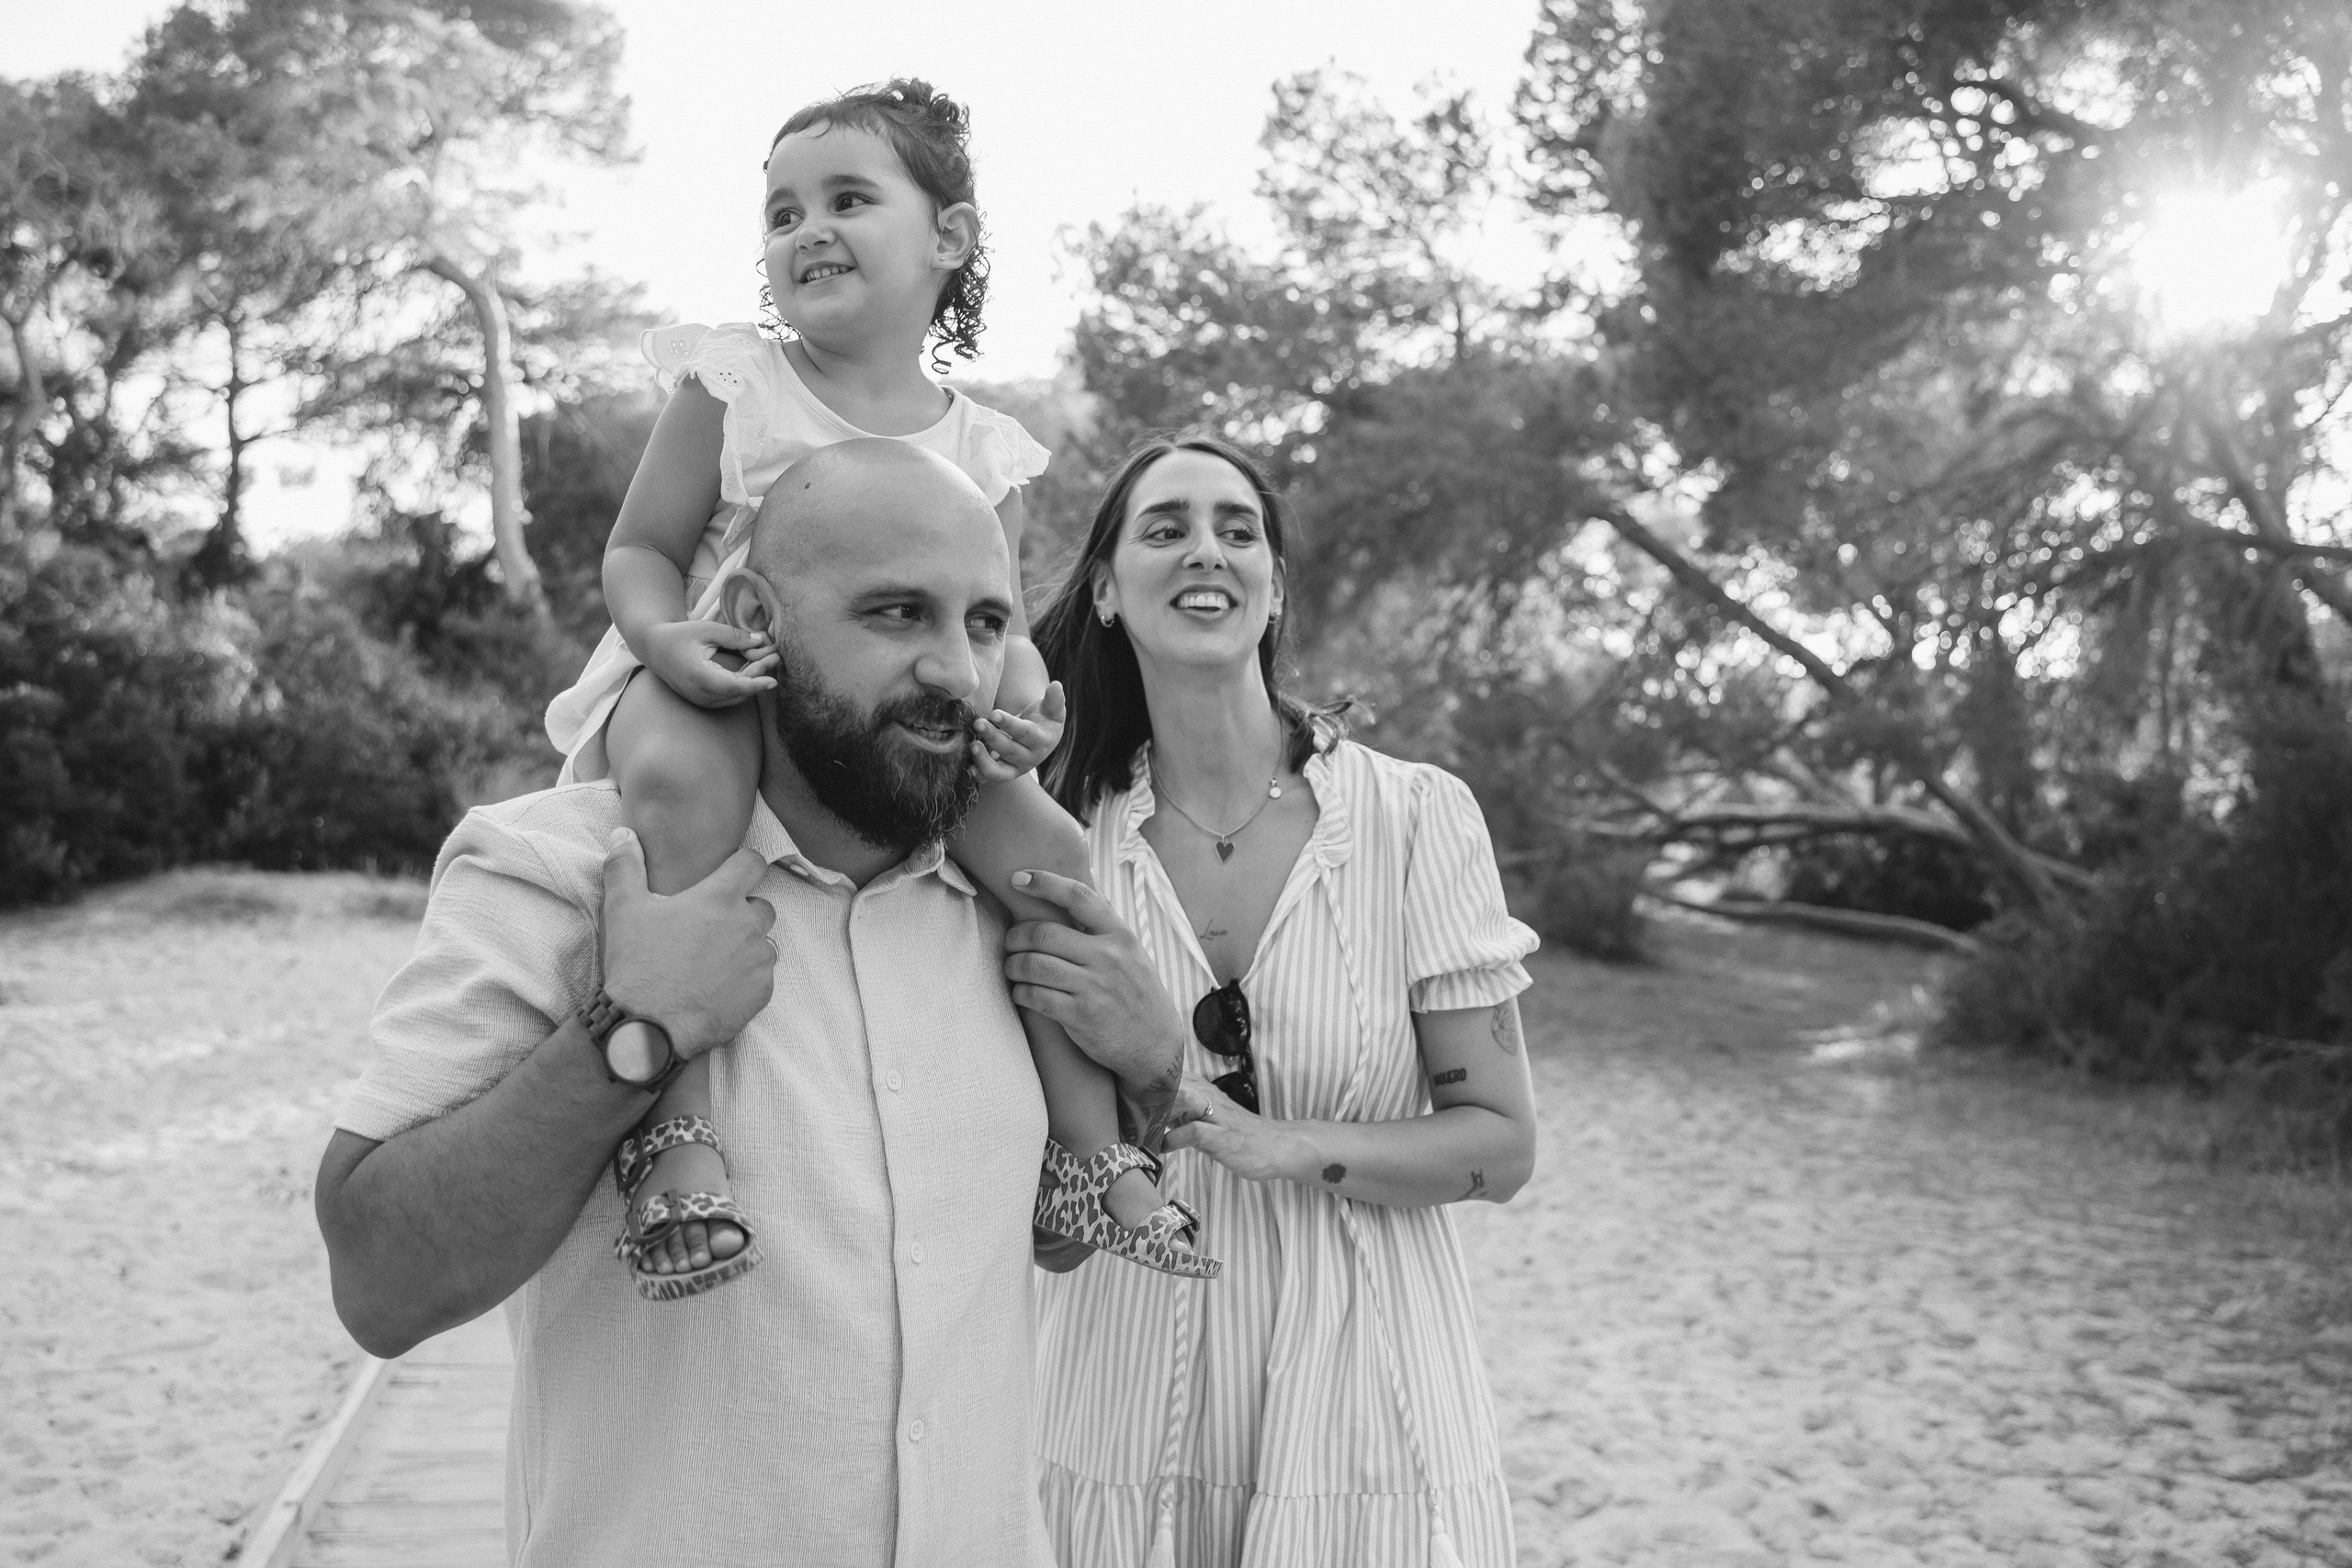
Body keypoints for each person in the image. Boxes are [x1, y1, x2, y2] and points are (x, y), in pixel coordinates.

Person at [315, 440, 1193, 1566]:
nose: (956, 673)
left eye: (983, 624)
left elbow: (1048, 1244)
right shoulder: (555, 871)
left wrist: (1150, 1073)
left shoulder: (1014, 905)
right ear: (751, 619)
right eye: (895, 614)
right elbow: (380, 1290)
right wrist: (628, 1037)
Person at [543, 78, 1208, 1297]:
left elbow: (996, 623)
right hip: (717, 671)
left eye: (847, 199)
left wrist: (1021, 700)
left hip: (896, 714)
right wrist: (662, 636)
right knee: (681, 782)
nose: (807, 230)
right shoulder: (735, 384)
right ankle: (675, 1126)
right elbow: (640, 547)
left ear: (947, 237)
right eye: (782, 212)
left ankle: (1085, 1147)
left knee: (1049, 851)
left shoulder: (981, 447)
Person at [1011, 435, 1542, 1567]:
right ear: (1104, 590)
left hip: (1371, 1414)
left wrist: (1270, 1136)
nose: (1205, 550)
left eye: (1237, 529)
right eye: (1165, 528)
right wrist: (1133, 1107)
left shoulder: (1415, 818)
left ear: (1276, 586)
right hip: (1118, 1414)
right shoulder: (1052, 844)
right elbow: (1049, 1237)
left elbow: (1500, 1149)